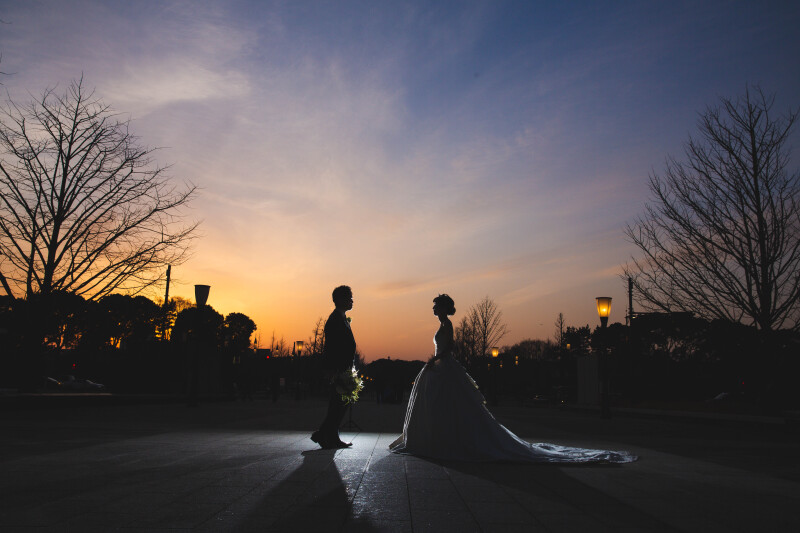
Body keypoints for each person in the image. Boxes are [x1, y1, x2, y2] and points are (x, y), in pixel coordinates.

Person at [389, 294, 637, 463]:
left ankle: (445, 439)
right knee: (440, 405)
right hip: (440, 368)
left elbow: (449, 347)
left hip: (442, 366)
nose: (433, 309)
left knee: (451, 405)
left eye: (435, 305)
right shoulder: (443, 325)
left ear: (443, 307)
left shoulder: (448, 326)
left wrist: (435, 360)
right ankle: (437, 436)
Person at [311, 285, 356, 449]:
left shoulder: (342, 318)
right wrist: (334, 370)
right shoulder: (335, 319)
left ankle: (326, 435)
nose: (352, 300)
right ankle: (326, 435)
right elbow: (331, 347)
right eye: (349, 297)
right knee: (338, 404)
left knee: (340, 404)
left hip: (344, 367)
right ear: (340, 300)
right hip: (338, 368)